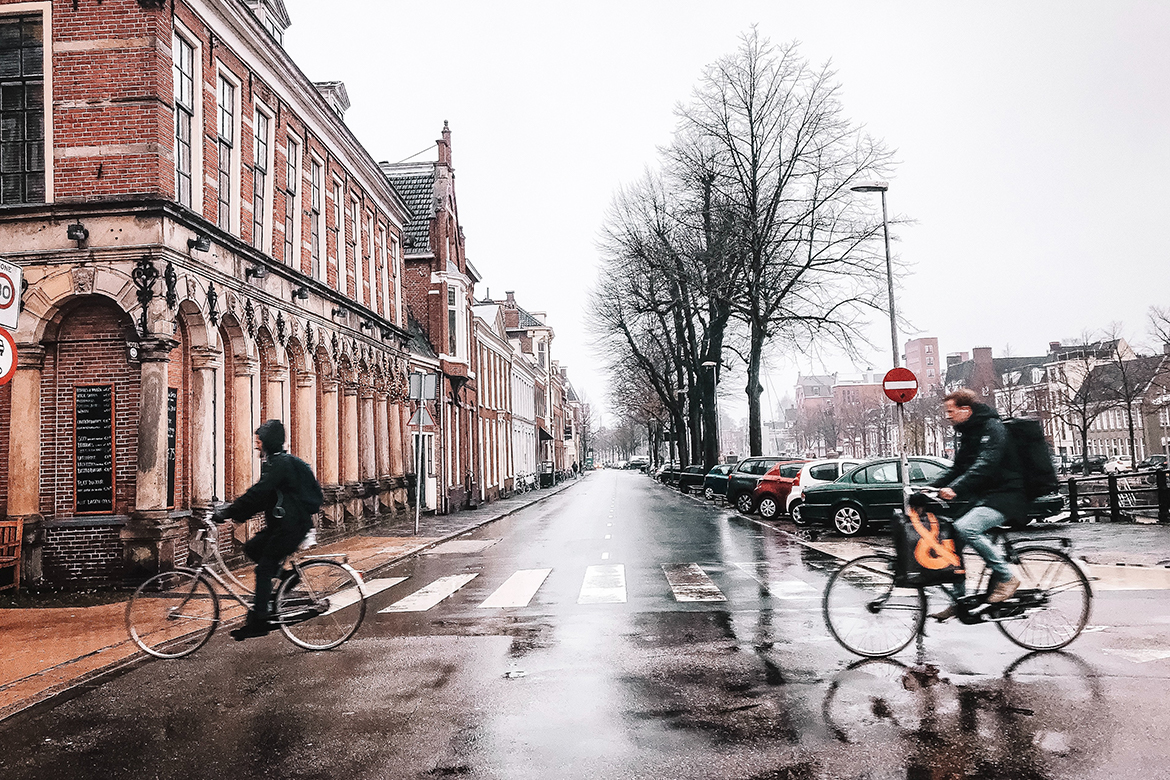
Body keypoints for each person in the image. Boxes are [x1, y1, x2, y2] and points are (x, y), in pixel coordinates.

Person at [212, 420, 321, 640]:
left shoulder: (279, 464)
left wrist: (227, 512)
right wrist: (237, 514)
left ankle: (259, 621)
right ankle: (288, 578)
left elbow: (259, 493)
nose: (256, 446)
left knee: (263, 570)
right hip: (284, 525)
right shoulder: (277, 462)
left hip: (291, 527)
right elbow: (265, 498)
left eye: (259, 441)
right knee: (252, 548)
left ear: (268, 442)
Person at [930, 388, 1025, 622]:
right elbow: (958, 468)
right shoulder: (970, 432)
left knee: (966, 528)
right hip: (987, 494)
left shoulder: (992, 428)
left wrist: (955, 489)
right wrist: (929, 489)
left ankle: (1006, 577)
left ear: (966, 410)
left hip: (1007, 494)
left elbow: (986, 463)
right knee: (953, 537)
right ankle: (959, 600)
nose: (948, 416)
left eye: (951, 411)